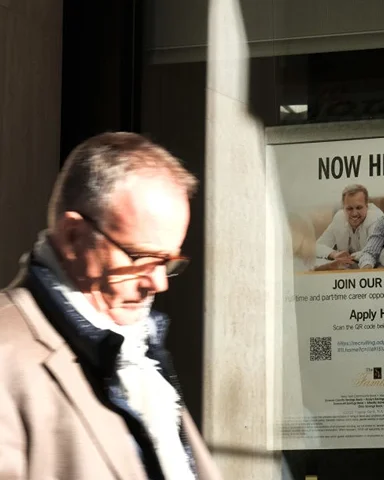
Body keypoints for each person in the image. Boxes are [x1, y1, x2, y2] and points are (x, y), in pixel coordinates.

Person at [0, 132, 222, 479]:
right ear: (74, 236)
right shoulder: (7, 352)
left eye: (168, 262)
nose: (158, 283)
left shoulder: (139, 349)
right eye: (143, 257)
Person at [315, 184, 384, 268]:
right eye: (349, 208)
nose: (354, 214)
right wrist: (334, 254)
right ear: (343, 208)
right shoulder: (339, 218)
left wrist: (349, 257)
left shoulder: (377, 219)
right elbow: (316, 247)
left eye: (359, 208)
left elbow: (374, 253)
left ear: (367, 206)